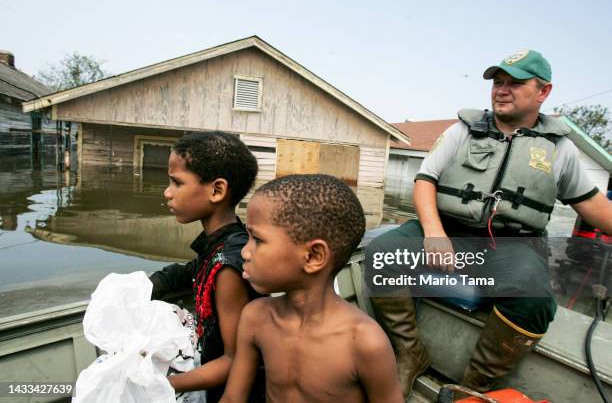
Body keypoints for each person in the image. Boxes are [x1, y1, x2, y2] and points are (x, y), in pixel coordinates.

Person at [366, 49, 612, 395]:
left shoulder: (561, 149)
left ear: (543, 92)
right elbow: (425, 180)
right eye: (498, 82)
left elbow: (594, 208)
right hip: (448, 228)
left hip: (512, 245)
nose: (501, 89)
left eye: (515, 83)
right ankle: (409, 352)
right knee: (381, 253)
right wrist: (434, 233)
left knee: (534, 301)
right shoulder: (462, 131)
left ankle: (472, 386)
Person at [220, 174, 403, 403]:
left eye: (257, 240)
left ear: (314, 256)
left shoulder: (365, 342)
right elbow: (232, 399)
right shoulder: (255, 317)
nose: (245, 252)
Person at [148, 131, 265, 402]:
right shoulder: (223, 242)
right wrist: (144, 286)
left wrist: (163, 383)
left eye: (177, 183)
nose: (167, 193)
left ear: (217, 190)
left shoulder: (227, 268)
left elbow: (234, 359)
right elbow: (190, 271)